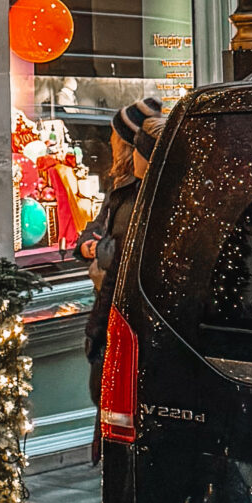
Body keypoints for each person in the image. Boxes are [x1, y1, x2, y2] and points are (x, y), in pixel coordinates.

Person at [80, 95, 164, 463]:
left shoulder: (138, 197)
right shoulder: (123, 190)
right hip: (124, 316)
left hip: (124, 319)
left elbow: (118, 267)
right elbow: (97, 230)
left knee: (116, 410)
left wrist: (96, 330)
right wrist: (91, 244)